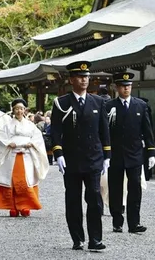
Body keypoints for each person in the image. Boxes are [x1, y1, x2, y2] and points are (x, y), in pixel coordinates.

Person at [51, 61, 111, 251]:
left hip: (93, 157)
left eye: (86, 76)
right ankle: (78, 238)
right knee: (73, 199)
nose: (83, 80)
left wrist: (107, 155)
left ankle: (95, 239)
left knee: (94, 198)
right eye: (79, 76)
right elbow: (56, 130)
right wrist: (58, 153)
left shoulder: (98, 102)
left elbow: (104, 130)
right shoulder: (61, 103)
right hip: (71, 158)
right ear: (71, 79)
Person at [106, 72, 155, 234]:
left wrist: (151, 152)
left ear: (131, 87)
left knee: (135, 188)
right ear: (117, 88)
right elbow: (104, 131)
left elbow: (147, 131)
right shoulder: (109, 106)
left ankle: (134, 223)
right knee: (115, 188)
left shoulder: (140, 105)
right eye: (122, 86)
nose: (126, 89)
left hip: (134, 153)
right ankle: (117, 221)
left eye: (128, 86)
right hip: (116, 153)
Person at [0, 98, 49, 217]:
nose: (19, 111)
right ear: (13, 110)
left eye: (21, 108)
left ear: (25, 110)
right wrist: (8, 143)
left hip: (27, 155)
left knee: (25, 181)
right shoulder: (7, 125)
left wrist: (32, 143)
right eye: (16, 108)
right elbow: (1, 138)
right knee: (12, 181)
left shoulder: (31, 125)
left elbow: (37, 137)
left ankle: (25, 205)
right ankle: (13, 206)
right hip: (12, 155)